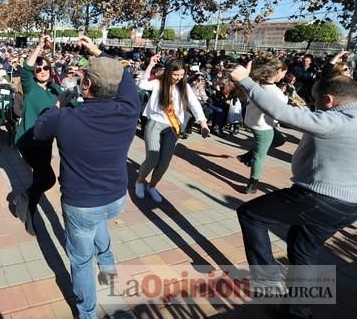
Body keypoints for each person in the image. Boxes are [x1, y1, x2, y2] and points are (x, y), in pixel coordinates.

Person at [231, 65, 357, 319]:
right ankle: (299, 313)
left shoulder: (336, 121)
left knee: (251, 214)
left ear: (329, 100)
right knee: (303, 251)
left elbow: (281, 112)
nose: (314, 106)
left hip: (321, 197)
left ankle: (268, 284)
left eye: (316, 101)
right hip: (349, 206)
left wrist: (245, 81)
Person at [33, 36, 139, 319]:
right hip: (115, 197)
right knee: (99, 226)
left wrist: (58, 105)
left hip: (82, 204)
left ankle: (87, 314)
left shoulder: (66, 117)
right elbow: (124, 77)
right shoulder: (129, 110)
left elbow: (39, 130)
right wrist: (98, 51)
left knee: (80, 262)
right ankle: (111, 279)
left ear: (87, 85)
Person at [135, 55, 210, 203]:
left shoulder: (185, 87)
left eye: (181, 75)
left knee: (164, 162)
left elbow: (195, 105)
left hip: (173, 128)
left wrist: (203, 123)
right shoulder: (158, 84)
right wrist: (150, 65)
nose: (178, 78)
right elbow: (141, 85)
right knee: (152, 158)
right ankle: (140, 181)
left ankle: (152, 186)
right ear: (169, 72)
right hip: (155, 124)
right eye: (175, 74)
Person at [11, 35, 63, 235]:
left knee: (39, 179)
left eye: (45, 68)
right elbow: (26, 67)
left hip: (46, 142)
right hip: (27, 140)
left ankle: (27, 210)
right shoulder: (30, 86)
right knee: (48, 179)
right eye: (38, 69)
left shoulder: (55, 90)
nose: (41, 71)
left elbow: (73, 104)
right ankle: (24, 199)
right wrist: (40, 45)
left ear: (50, 70)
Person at [237, 58, 288, 193]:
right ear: (278, 71)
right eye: (284, 73)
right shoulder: (275, 91)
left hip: (252, 120)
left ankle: (247, 157)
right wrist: (289, 95)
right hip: (263, 127)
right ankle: (252, 185)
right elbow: (284, 107)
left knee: (280, 140)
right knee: (260, 155)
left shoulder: (256, 84)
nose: (284, 76)